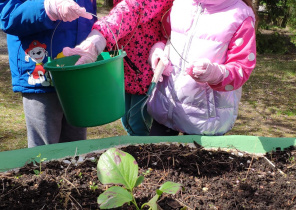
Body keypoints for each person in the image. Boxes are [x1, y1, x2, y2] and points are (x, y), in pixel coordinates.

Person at [63, 0, 174, 136]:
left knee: (138, 127)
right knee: (127, 122)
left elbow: (131, 9)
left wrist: (98, 39)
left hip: (146, 71)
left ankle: (142, 153)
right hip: (126, 70)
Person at [147, 0, 257, 136]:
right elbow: (167, 38)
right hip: (165, 107)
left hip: (205, 120)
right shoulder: (179, 4)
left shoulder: (240, 15)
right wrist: (158, 51)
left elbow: (242, 68)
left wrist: (215, 74)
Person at [0, 0, 97, 147]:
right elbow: (8, 14)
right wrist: (49, 8)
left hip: (77, 74)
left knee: (76, 151)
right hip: (40, 76)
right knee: (44, 153)